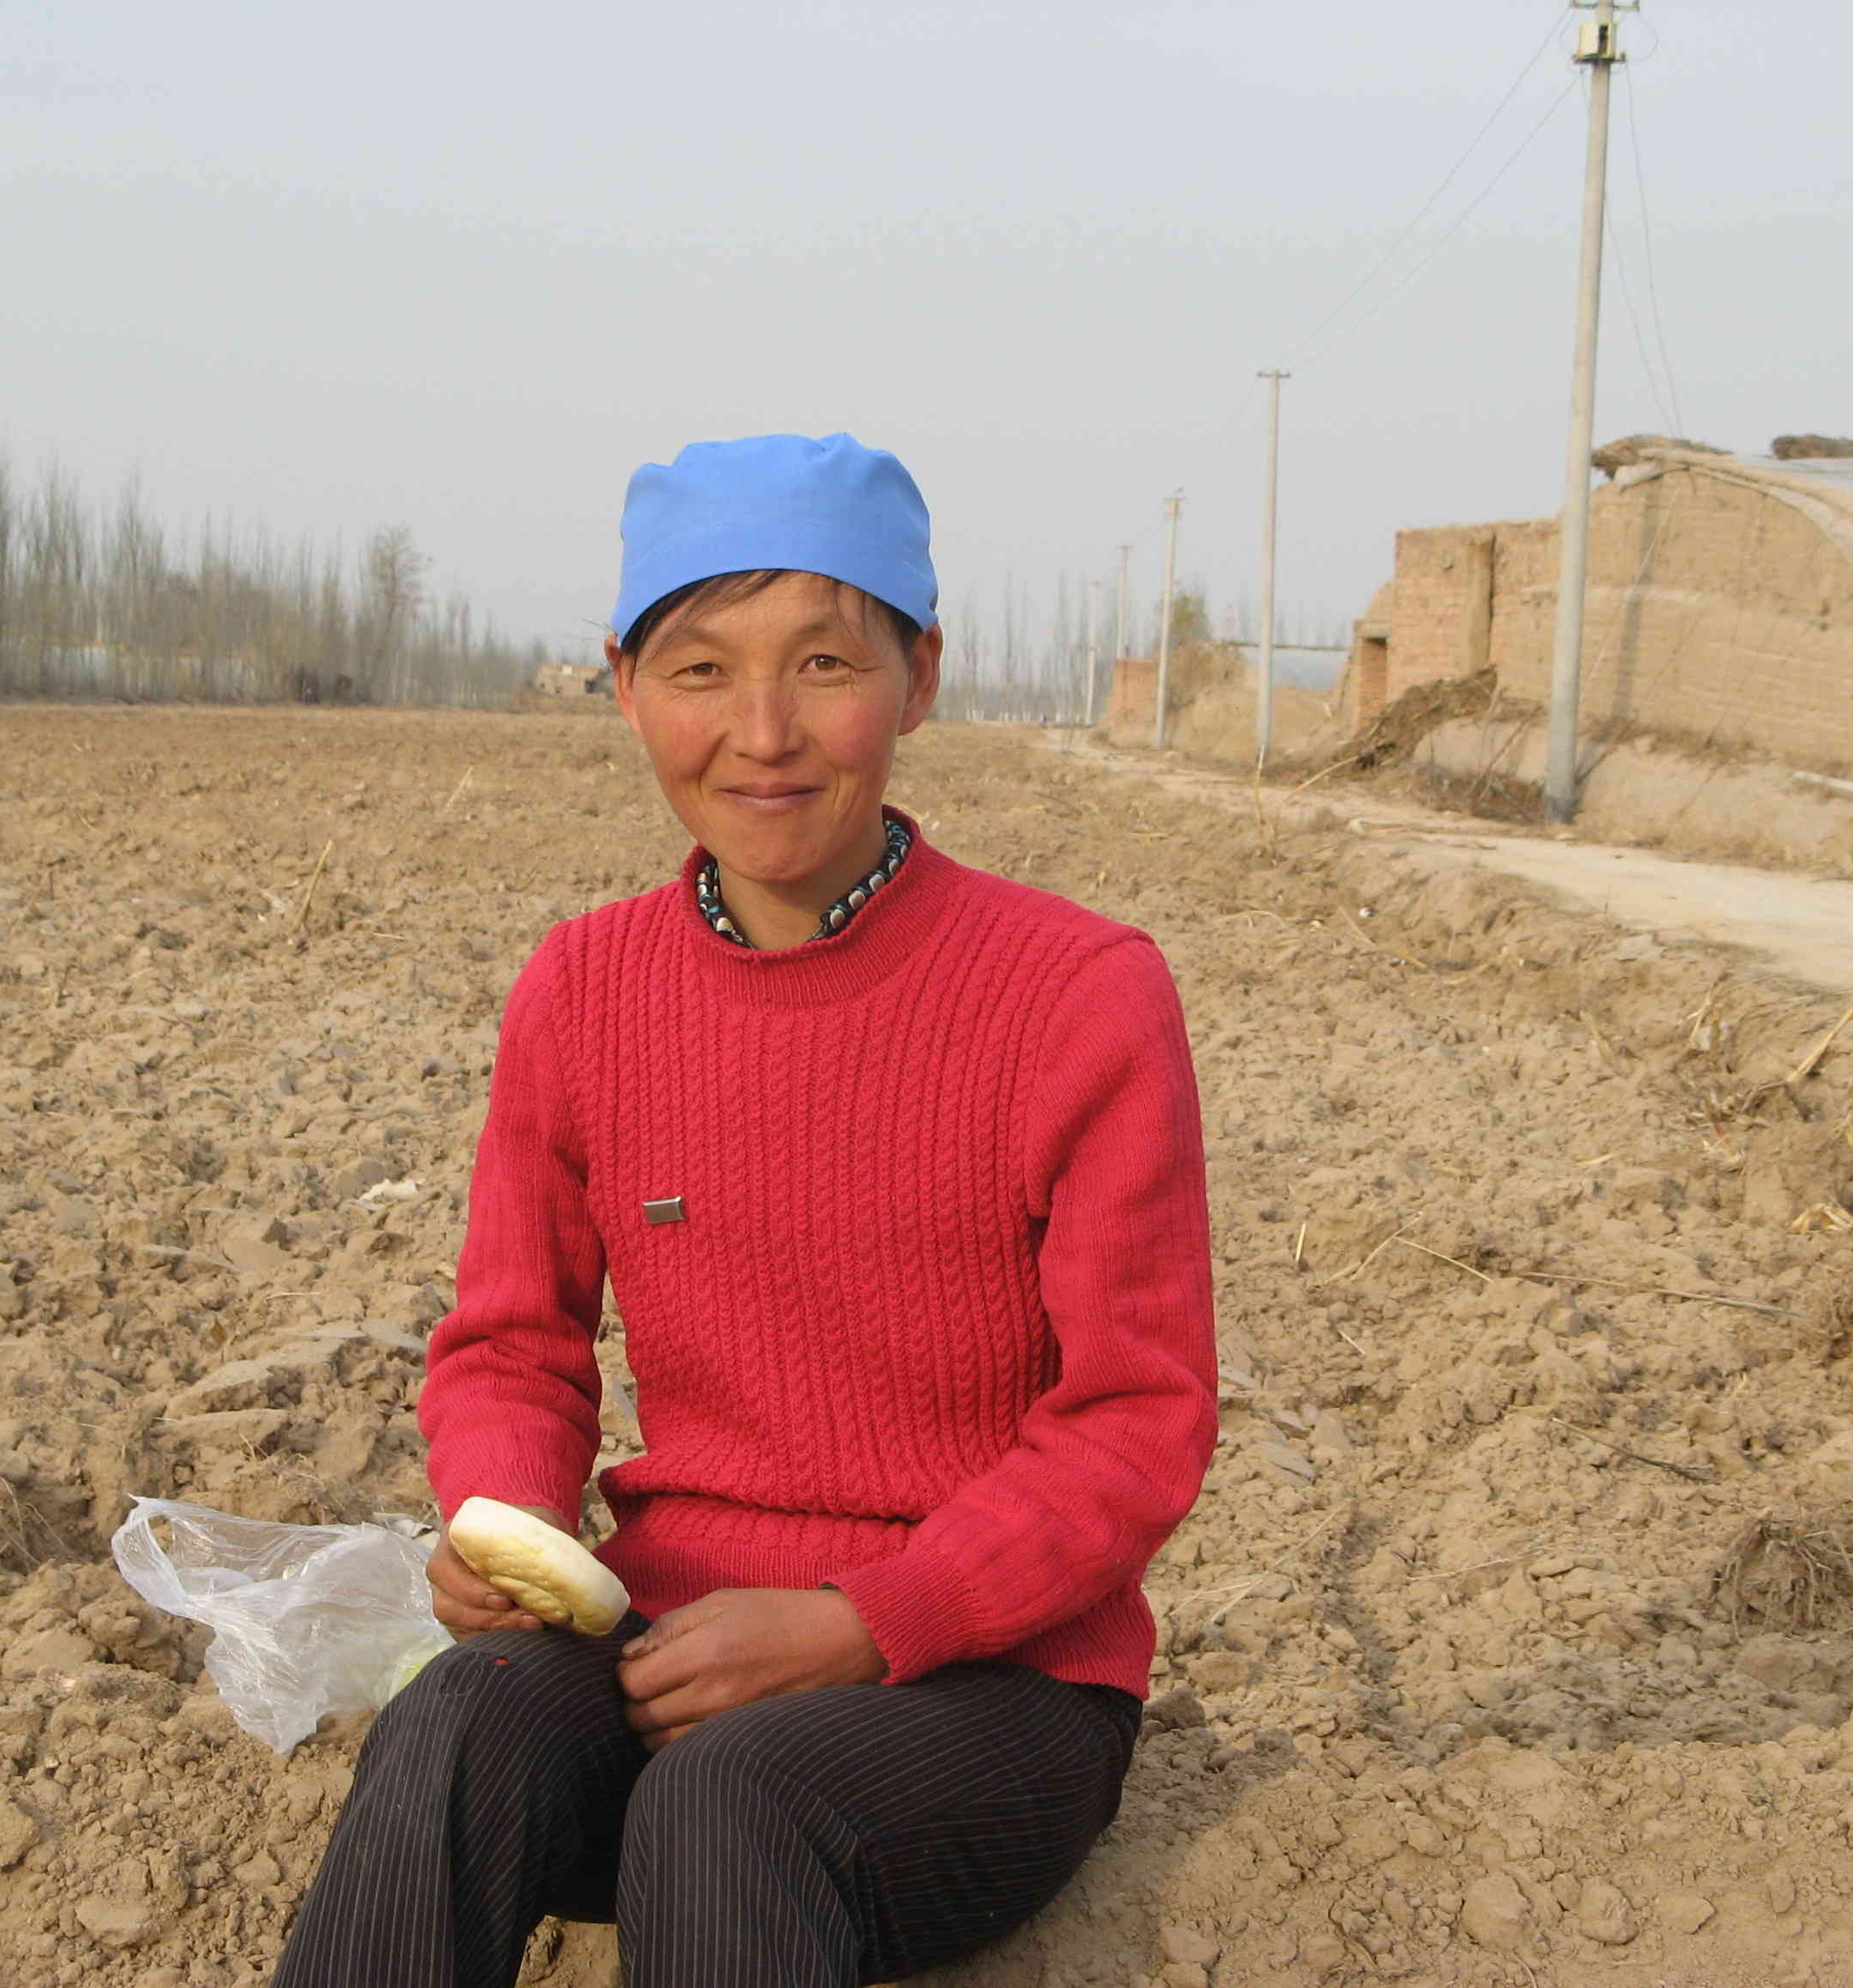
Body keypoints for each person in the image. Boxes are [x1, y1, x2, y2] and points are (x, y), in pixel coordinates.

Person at [267, 432, 1217, 1988]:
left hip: (993, 1687)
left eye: (825, 663)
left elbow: (1136, 1419)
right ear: (626, 686)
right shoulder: (586, 989)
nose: (763, 734)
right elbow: (512, 1344)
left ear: (919, 677)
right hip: (673, 1648)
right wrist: (504, 1522)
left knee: (728, 1800)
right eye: (702, 669)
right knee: (452, 1725)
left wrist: (867, 1618)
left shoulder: (1076, 996)